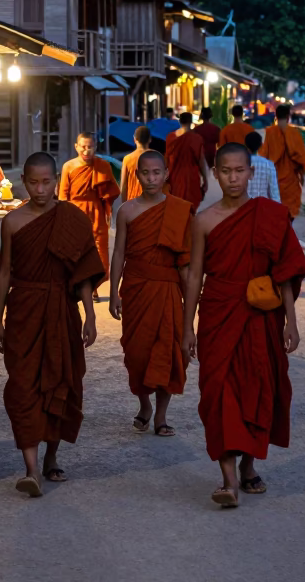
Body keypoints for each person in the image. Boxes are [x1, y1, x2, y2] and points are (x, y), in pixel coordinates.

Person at [182, 143, 305, 508]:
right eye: (226, 171)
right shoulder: (204, 221)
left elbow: (284, 271)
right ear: (216, 174)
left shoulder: (270, 214)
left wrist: (291, 322)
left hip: (262, 313)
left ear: (251, 173)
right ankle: (227, 478)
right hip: (219, 310)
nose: (233, 178)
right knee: (219, 390)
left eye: (240, 171)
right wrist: (186, 326)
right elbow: (194, 277)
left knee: (259, 386)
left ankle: (249, 465)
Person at [0, 152, 102, 497]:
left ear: (57, 180)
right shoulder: (12, 222)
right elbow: (5, 273)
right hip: (24, 307)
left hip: (61, 309)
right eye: (34, 182)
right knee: (23, 386)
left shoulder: (72, 217)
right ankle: (30, 469)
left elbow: (82, 273)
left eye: (47, 182)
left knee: (61, 381)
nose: (41, 189)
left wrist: (90, 314)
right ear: (23, 181)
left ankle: (51, 458)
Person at [109, 150, 192, 437]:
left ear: (166, 174)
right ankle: (144, 404)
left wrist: (189, 303)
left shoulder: (179, 210)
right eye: (146, 173)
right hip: (136, 287)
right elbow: (119, 252)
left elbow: (185, 262)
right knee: (137, 352)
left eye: (157, 173)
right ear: (137, 175)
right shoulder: (127, 211)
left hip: (168, 288)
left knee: (168, 352)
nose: (152, 178)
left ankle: (161, 416)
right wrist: (113, 292)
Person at [59, 133, 120, 298]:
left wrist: (105, 201)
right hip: (75, 212)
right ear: (76, 147)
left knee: (100, 252)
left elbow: (112, 191)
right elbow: (63, 195)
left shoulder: (103, 166)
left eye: (90, 147)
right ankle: (81, 286)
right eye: (83, 147)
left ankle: (94, 285)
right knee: (78, 251)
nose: (86, 151)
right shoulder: (68, 167)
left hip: (96, 212)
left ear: (95, 147)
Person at [260, 103, 305, 218]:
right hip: (291, 180)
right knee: (289, 213)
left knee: (275, 212)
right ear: (288, 116)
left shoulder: (270, 132)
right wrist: (302, 176)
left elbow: (264, 155)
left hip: (273, 179)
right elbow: (301, 158)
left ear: (275, 116)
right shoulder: (294, 133)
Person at [164, 113, 208, 211]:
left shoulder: (170, 137)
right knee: (189, 208)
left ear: (179, 121)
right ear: (191, 122)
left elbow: (166, 159)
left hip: (174, 178)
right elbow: (201, 160)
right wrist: (205, 179)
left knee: (176, 208)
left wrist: (164, 178)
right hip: (191, 178)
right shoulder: (196, 139)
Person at [120, 126, 151, 204]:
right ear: (150, 139)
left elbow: (123, 185)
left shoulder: (128, 159)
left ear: (134, 140)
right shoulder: (157, 157)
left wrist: (123, 205)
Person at [245, 131, 279, 201]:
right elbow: (274, 190)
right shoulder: (269, 165)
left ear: (245, 144)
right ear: (261, 145)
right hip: (262, 206)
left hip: (243, 206)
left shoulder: (239, 163)